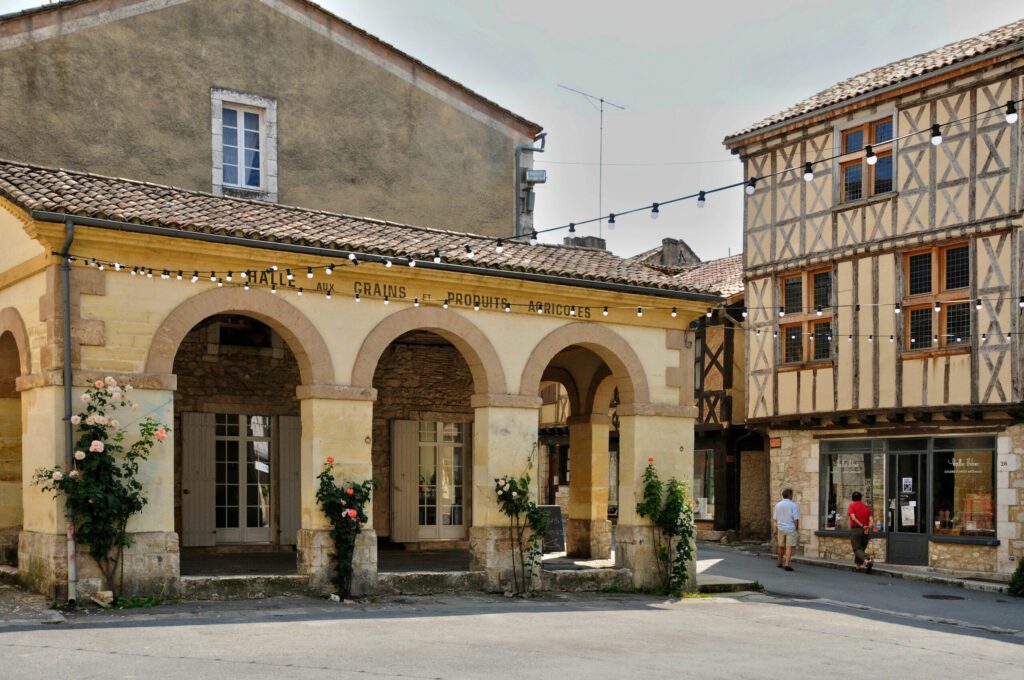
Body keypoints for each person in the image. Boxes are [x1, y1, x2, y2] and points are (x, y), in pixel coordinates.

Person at [773, 488, 800, 571]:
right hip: (790, 528)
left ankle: (779, 562)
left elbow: (775, 518)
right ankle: (787, 563)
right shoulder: (793, 505)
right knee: (789, 547)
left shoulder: (777, 505)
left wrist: (776, 527)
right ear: (789, 495)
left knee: (780, 546)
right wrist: (796, 527)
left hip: (780, 527)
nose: (792, 496)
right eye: (792, 494)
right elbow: (796, 518)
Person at [847, 491, 874, 574]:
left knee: (857, 549)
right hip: (866, 530)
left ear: (852, 498)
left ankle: (867, 560)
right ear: (861, 498)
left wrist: (862, 526)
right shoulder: (866, 507)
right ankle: (857, 567)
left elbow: (853, 518)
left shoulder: (852, 506)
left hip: (856, 529)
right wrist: (867, 528)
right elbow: (871, 520)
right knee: (861, 549)